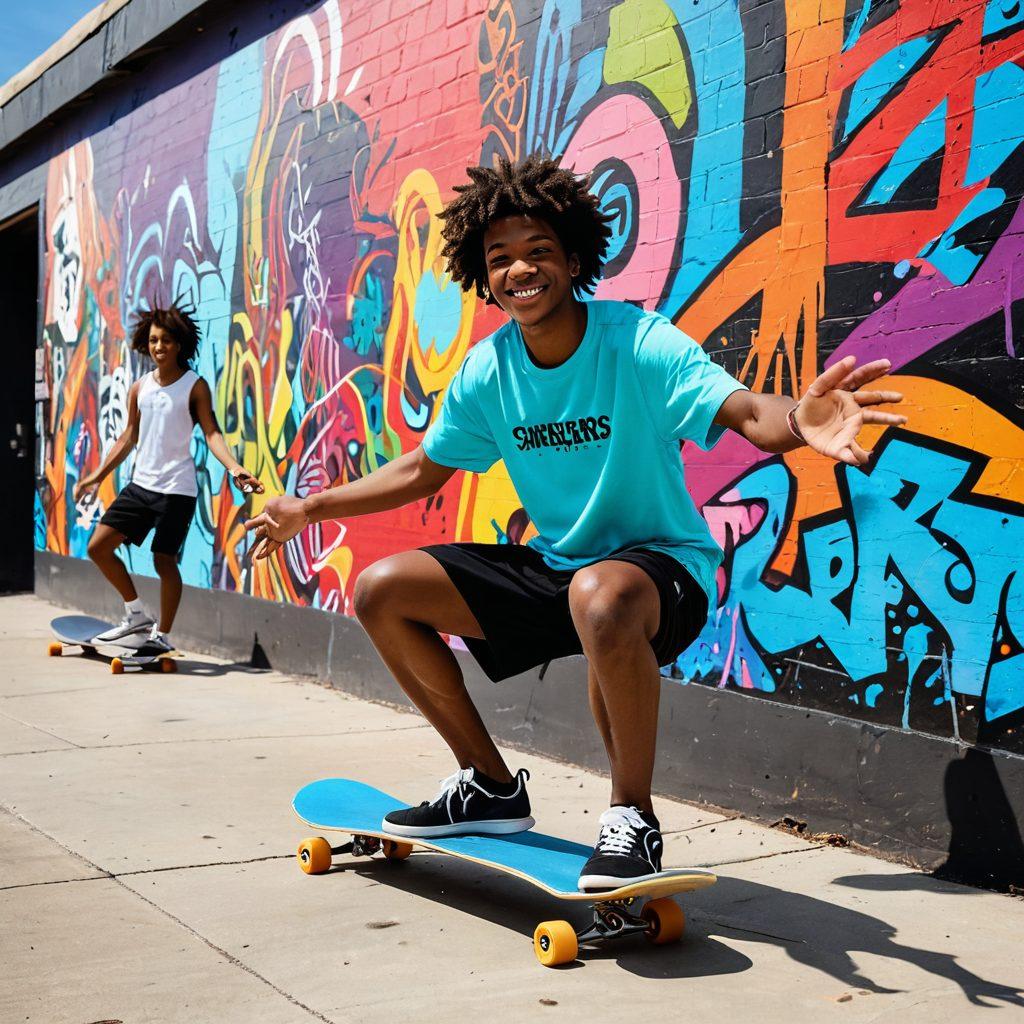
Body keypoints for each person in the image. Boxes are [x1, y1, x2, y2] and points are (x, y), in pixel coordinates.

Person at [244, 155, 906, 891]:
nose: (520, 269)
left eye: (539, 252)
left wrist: (796, 421)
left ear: (574, 260)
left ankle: (632, 819)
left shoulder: (636, 342)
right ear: (481, 274)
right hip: (563, 569)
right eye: (500, 259)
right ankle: (489, 787)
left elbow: (748, 412)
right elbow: (422, 469)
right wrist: (309, 505)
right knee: (381, 589)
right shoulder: (489, 369)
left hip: (662, 572)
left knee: (601, 595)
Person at [75, 304, 263, 652]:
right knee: (98, 547)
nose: (158, 347)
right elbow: (128, 437)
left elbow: (212, 434)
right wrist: (96, 477)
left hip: (177, 490)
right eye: (153, 341)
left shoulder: (195, 386)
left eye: (165, 340)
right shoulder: (140, 388)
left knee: (164, 560)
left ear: (179, 344)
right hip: (141, 486)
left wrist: (234, 468)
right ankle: (136, 615)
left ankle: (162, 635)